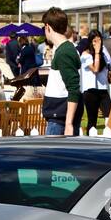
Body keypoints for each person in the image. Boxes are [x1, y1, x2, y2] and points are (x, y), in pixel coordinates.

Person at [40, 7, 81, 136]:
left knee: (51, 155)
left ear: (48, 27)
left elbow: (73, 87)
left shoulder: (64, 52)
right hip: (59, 114)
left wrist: (68, 123)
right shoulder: (63, 49)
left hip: (60, 118)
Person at [76, 30, 111, 134]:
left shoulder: (103, 52)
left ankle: (110, 137)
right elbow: (95, 69)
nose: (97, 43)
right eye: (94, 41)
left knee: (110, 115)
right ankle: (90, 142)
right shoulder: (85, 54)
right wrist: (97, 52)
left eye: (99, 41)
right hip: (90, 90)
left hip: (102, 89)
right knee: (92, 120)